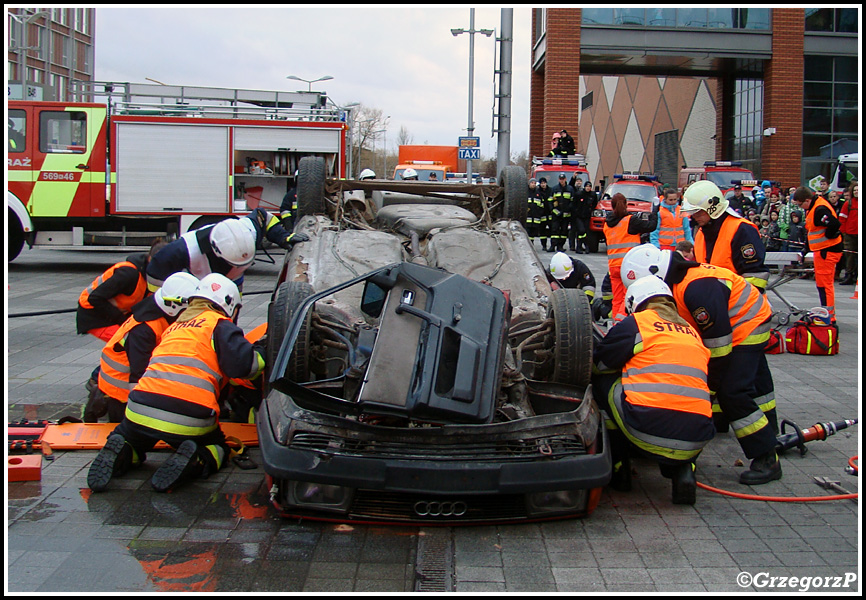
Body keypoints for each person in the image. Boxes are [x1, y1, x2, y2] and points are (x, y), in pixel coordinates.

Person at [87, 274, 267, 493]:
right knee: (218, 446)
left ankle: (124, 451)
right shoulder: (220, 325)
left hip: (138, 409)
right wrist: (262, 351)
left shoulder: (174, 328)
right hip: (189, 416)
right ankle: (197, 460)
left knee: (131, 437)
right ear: (228, 304)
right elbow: (245, 367)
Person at [621, 244, 781, 484]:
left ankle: (766, 457)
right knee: (750, 382)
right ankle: (762, 431)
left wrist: (711, 388)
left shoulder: (696, 289)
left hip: (747, 323)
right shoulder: (681, 281)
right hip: (739, 320)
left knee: (733, 392)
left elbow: (718, 349)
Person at [593, 275, 714, 503]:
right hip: (697, 436)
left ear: (635, 303)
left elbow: (601, 363)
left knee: (602, 383)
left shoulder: (638, 323)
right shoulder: (691, 331)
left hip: (646, 427)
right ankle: (684, 470)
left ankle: (619, 468)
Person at [85, 273, 200, 423]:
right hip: (122, 395)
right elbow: (138, 375)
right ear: (174, 306)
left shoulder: (157, 314)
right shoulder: (144, 330)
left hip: (127, 384)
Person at [146, 212, 308, 293]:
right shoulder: (184, 249)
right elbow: (155, 271)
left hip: (232, 284)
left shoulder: (248, 229)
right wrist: (160, 299)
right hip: (201, 284)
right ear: (217, 252)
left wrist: (284, 238)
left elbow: (265, 216)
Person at [681, 180, 770, 294]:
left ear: (712, 207)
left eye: (698, 212)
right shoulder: (702, 233)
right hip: (717, 302)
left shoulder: (742, 230)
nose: (694, 216)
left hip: (742, 306)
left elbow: (755, 277)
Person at [77, 239, 167, 342]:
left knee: (144, 340)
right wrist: (124, 322)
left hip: (115, 314)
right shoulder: (128, 274)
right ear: (151, 260)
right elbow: (95, 298)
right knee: (132, 342)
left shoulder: (151, 274)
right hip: (95, 315)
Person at [604, 192, 659, 322]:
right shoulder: (630, 221)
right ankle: (621, 322)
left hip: (613, 265)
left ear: (612, 206)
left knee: (617, 298)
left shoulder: (607, 224)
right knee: (627, 296)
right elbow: (651, 226)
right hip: (628, 265)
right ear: (626, 205)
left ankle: (615, 324)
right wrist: (654, 211)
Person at [792, 186, 843, 324]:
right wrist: (806, 249)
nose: (800, 207)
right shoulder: (814, 207)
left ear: (807, 200)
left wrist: (828, 236)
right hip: (823, 251)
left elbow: (835, 224)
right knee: (822, 284)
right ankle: (826, 313)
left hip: (827, 250)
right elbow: (813, 232)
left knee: (825, 285)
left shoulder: (819, 209)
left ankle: (829, 316)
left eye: (800, 204)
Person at [837, 182, 858, 285]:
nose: (856, 192)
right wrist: (844, 231)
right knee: (849, 255)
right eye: (854, 190)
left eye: (858, 190)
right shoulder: (848, 203)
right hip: (850, 234)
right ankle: (849, 275)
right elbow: (842, 219)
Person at [549, 173, 575, 252]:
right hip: (556, 214)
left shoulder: (570, 189)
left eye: (563, 179)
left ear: (565, 179)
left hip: (566, 215)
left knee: (564, 231)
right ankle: (553, 246)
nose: (562, 180)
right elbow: (550, 201)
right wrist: (554, 211)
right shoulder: (554, 189)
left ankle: (560, 246)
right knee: (554, 230)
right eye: (560, 179)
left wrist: (568, 210)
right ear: (558, 179)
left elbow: (572, 201)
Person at [571, 180, 597, 254]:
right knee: (581, 230)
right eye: (587, 186)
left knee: (586, 232)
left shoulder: (593, 195)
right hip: (579, 216)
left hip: (587, 216)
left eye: (589, 186)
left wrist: (591, 210)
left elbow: (595, 204)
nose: (588, 188)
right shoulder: (579, 194)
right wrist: (575, 212)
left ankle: (585, 246)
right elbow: (573, 204)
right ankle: (579, 246)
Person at [534, 177, 553, 251]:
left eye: (544, 183)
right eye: (541, 183)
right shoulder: (538, 191)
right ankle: (544, 245)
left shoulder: (550, 190)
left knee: (553, 231)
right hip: (542, 215)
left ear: (546, 183)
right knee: (542, 232)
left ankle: (552, 245)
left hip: (550, 214)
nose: (543, 185)